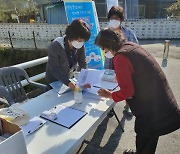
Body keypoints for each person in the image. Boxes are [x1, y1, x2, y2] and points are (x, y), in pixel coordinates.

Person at [95, 28, 180, 154]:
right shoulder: (131, 46)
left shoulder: (120, 57)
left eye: (104, 48)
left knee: (146, 134)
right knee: (149, 136)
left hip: (151, 106)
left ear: (108, 45)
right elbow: (137, 72)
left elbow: (127, 92)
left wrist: (110, 95)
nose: (104, 52)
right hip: (159, 98)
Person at [106, 6, 138, 115]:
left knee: (127, 86)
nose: (114, 20)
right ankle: (109, 108)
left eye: (117, 18)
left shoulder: (129, 33)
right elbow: (104, 50)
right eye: (111, 18)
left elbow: (136, 48)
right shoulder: (106, 33)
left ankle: (128, 105)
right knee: (109, 85)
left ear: (121, 19)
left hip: (126, 66)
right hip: (110, 64)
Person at [46, 19, 91, 90]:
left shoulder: (80, 46)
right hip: (54, 82)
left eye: (83, 41)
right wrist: (68, 82)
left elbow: (82, 63)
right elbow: (55, 69)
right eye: (79, 41)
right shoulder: (55, 46)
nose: (81, 43)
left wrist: (85, 79)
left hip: (69, 80)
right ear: (72, 37)